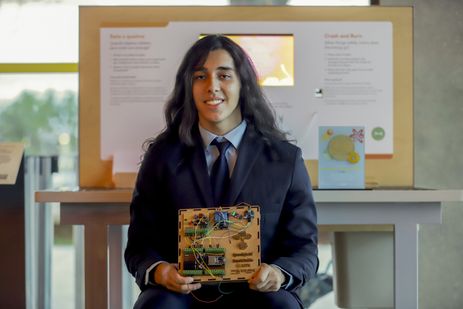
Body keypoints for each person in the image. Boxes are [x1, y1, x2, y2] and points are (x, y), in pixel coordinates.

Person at [124, 34, 318, 309]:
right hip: (181, 296)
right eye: (200, 77)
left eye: (224, 76)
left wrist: (277, 273)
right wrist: (160, 271)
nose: (212, 87)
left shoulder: (285, 161)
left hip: (259, 295)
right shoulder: (161, 158)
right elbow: (140, 245)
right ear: (188, 87)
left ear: (243, 85)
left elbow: (304, 249)